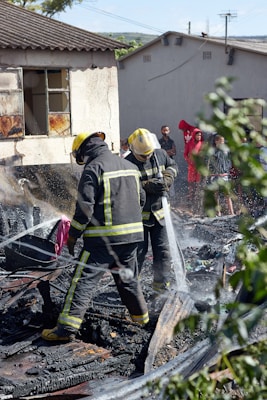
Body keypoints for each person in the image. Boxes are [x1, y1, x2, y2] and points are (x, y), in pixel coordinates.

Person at [42, 131, 149, 342]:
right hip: (132, 238)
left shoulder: (94, 168)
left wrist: (73, 235)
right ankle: (141, 318)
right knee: (128, 279)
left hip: (102, 241)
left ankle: (66, 329)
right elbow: (142, 198)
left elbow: (85, 209)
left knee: (82, 281)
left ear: (84, 151)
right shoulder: (131, 167)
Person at [126, 128, 178, 295]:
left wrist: (169, 176)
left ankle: (161, 289)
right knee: (137, 255)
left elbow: (173, 165)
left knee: (163, 253)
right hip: (139, 219)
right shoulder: (127, 163)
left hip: (160, 216)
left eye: (149, 153)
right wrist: (146, 185)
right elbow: (126, 187)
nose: (147, 157)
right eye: (143, 155)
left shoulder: (160, 154)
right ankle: (134, 291)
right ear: (133, 150)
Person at [207, 134, 235, 216]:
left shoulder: (226, 151)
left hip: (224, 175)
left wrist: (228, 169)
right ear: (216, 142)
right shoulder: (213, 151)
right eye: (221, 141)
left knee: (227, 194)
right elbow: (210, 163)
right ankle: (218, 212)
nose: (222, 143)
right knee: (216, 194)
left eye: (223, 141)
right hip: (215, 175)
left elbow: (228, 161)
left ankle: (231, 212)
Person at [184, 128, 204, 214]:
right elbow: (185, 154)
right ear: (194, 135)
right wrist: (189, 161)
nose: (199, 136)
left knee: (198, 186)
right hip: (191, 167)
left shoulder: (202, 144)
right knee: (191, 186)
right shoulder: (189, 143)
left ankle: (198, 207)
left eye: (200, 135)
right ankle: (190, 205)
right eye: (197, 135)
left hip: (199, 168)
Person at [159, 125, 176, 198]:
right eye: (164, 130)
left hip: (170, 162)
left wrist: (165, 152)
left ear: (169, 131)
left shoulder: (171, 141)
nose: (165, 132)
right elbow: (160, 152)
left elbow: (174, 152)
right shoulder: (159, 142)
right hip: (162, 163)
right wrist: (168, 152)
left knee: (170, 176)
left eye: (167, 130)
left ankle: (171, 195)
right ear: (161, 131)